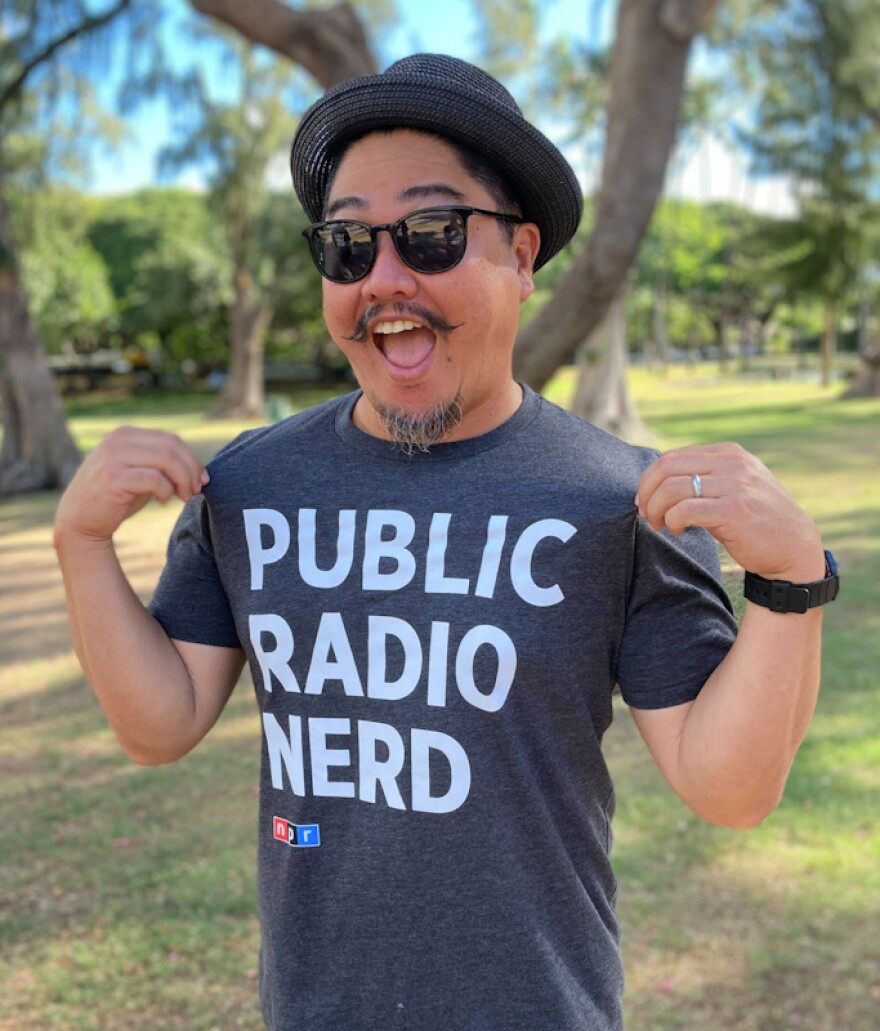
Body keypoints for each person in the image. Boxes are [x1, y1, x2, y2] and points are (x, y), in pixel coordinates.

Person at [54, 54, 838, 1031]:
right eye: (345, 245)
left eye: (429, 234)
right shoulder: (249, 486)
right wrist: (83, 545)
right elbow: (157, 722)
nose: (383, 278)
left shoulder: (617, 502)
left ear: (519, 253)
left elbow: (729, 789)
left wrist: (790, 580)